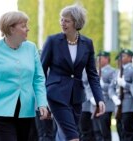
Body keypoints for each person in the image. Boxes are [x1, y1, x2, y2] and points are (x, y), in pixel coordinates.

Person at [0, 11, 48, 141]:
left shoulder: (31, 48)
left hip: (25, 109)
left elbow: (38, 78)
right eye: (23, 26)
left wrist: (42, 103)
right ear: (11, 28)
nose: (27, 29)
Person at [40, 4, 105, 141]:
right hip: (56, 94)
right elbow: (41, 71)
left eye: (67, 20)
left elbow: (92, 74)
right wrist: (42, 99)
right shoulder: (52, 41)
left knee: (64, 134)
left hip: (76, 96)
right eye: (61, 19)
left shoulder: (87, 43)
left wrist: (99, 99)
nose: (62, 23)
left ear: (76, 23)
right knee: (73, 136)